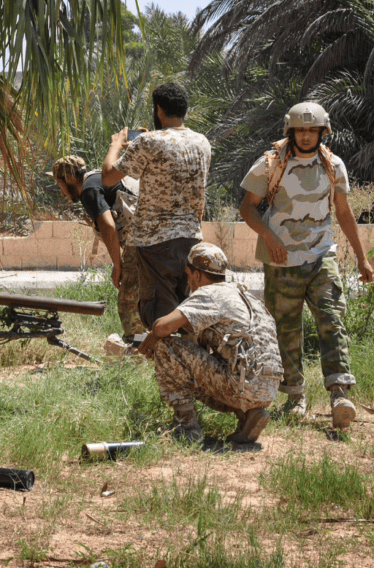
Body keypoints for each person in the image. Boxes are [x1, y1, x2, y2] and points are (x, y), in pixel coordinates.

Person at [238, 101, 374, 429]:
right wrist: (270, 238)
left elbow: (343, 211)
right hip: (281, 259)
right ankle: (295, 396)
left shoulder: (333, 165)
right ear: (291, 131)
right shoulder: (270, 163)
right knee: (286, 329)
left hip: (321, 254)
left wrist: (361, 256)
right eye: (301, 129)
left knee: (332, 318)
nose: (306, 136)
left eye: (312, 130)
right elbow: (248, 208)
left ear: (322, 132)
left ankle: (339, 393)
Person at [135, 243, 282, 444]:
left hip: (242, 386)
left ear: (196, 275)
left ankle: (186, 427)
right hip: (269, 388)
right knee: (213, 362)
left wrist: (153, 337)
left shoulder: (210, 293)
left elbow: (162, 327)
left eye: (188, 276)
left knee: (166, 346)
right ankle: (249, 415)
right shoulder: (248, 297)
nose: (188, 282)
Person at [102, 82, 212, 329]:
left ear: (158, 110)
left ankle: (165, 363)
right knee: (186, 311)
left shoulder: (149, 142)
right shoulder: (202, 142)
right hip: (191, 238)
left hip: (155, 243)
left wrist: (116, 145)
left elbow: (108, 177)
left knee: (159, 312)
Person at [48, 155, 145, 337]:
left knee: (129, 301)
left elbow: (108, 226)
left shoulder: (89, 190)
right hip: (157, 238)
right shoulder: (99, 178)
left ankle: (137, 347)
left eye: (60, 185)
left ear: (69, 178)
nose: (61, 192)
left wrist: (118, 266)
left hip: (141, 242)